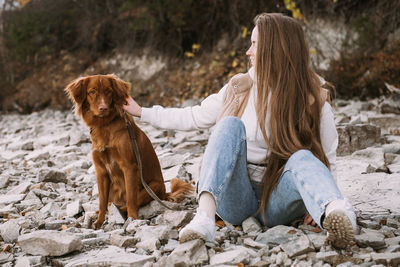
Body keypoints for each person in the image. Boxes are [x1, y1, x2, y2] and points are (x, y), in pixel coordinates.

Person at [123, 12, 357, 249]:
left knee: (303, 157)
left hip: (279, 201)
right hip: (235, 198)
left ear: (274, 48)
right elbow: (194, 116)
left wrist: (318, 203)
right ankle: (203, 219)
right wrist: (142, 111)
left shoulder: (313, 96)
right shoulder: (239, 88)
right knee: (229, 125)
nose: (248, 51)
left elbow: (328, 157)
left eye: (254, 44)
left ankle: (336, 212)